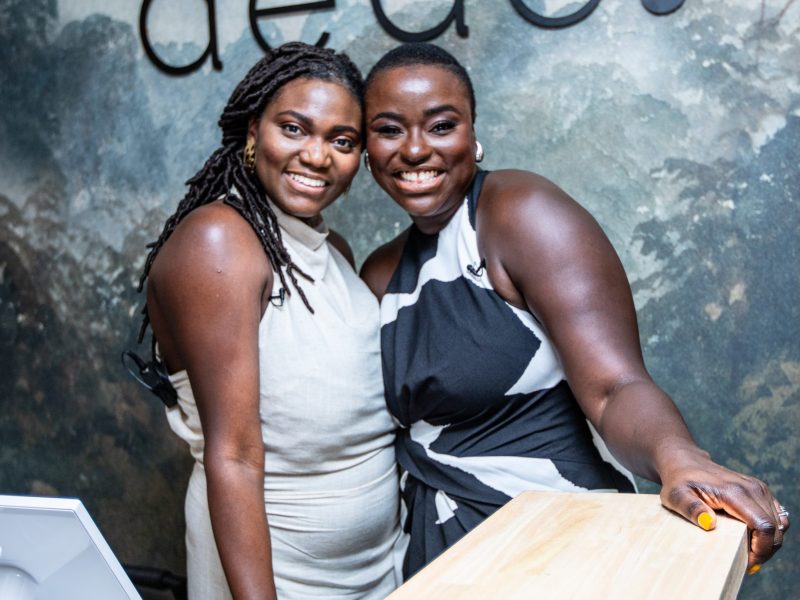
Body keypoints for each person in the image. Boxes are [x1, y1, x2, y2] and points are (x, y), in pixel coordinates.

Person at [359, 43, 789, 579]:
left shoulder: (521, 214)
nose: (416, 150)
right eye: (390, 129)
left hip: (558, 544)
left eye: (442, 126)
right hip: (435, 558)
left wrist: (680, 457)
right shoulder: (379, 275)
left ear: (473, 133)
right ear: (365, 146)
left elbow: (615, 388)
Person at [136, 42, 402, 599]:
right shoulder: (220, 242)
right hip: (275, 575)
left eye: (342, 140)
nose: (318, 155)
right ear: (254, 132)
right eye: (295, 129)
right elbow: (232, 453)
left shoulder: (337, 254)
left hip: (378, 569)